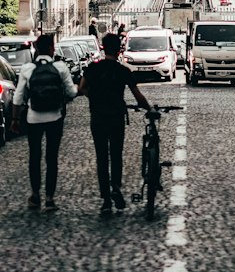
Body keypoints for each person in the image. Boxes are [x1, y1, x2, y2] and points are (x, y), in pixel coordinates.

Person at [79, 32, 151, 217]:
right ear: (119, 50)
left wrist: (93, 97)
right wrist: (148, 108)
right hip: (116, 116)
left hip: (97, 117)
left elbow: (81, 88)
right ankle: (116, 187)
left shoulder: (92, 69)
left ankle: (105, 199)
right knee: (116, 154)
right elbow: (138, 96)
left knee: (101, 157)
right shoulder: (123, 71)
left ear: (102, 48)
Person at [12, 33, 76, 211]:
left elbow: (18, 97)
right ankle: (49, 198)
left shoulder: (27, 69)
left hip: (33, 117)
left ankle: (35, 195)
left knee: (35, 156)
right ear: (51, 48)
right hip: (55, 117)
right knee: (51, 158)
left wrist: (15, 119)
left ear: (36, 49)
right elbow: (71, 92)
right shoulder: (60, 67)